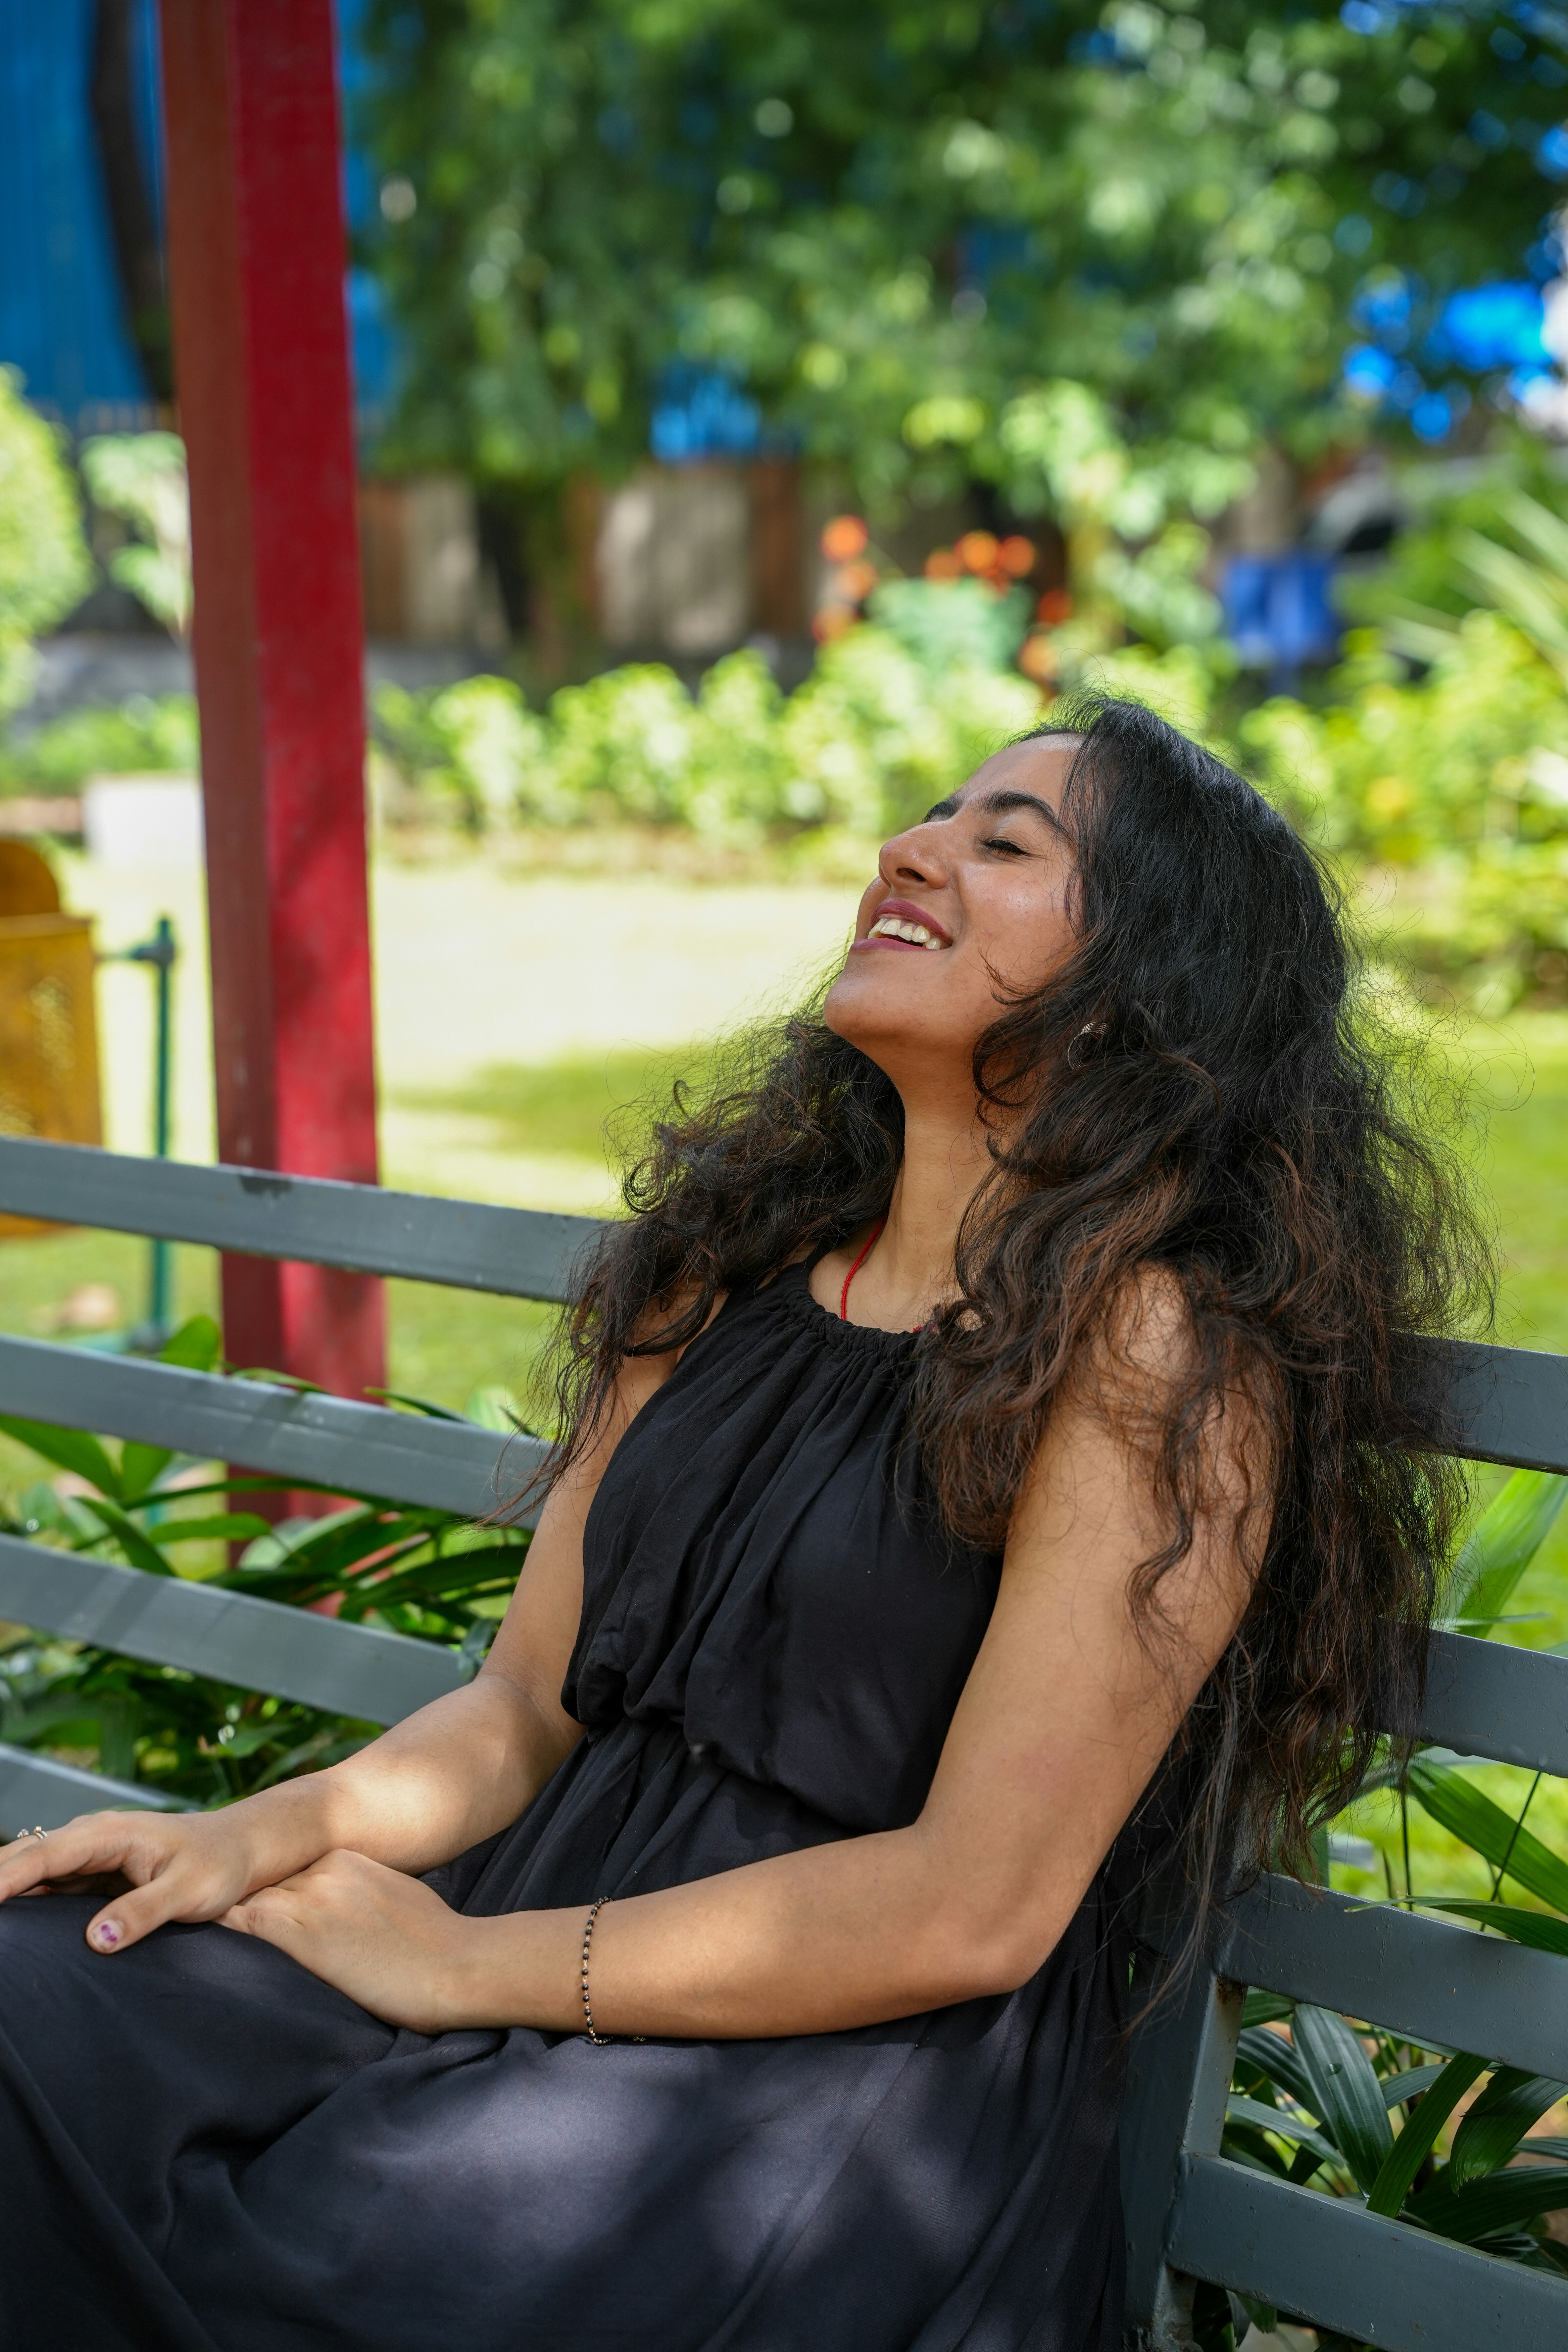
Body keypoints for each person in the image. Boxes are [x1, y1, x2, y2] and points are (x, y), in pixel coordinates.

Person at [0, 696, 1485, 2352]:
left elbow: (974, 1905)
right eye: (931, 816)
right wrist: (262, 1834)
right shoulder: (731, 1263)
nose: (906, 852)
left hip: (823, 2062)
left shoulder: (1151, 1347)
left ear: (1150, 982)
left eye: (1004, 844)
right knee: (29, 2006)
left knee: (359, 2271)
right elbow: (521, 1705)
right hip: (521, 1914)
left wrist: (466, 1970)